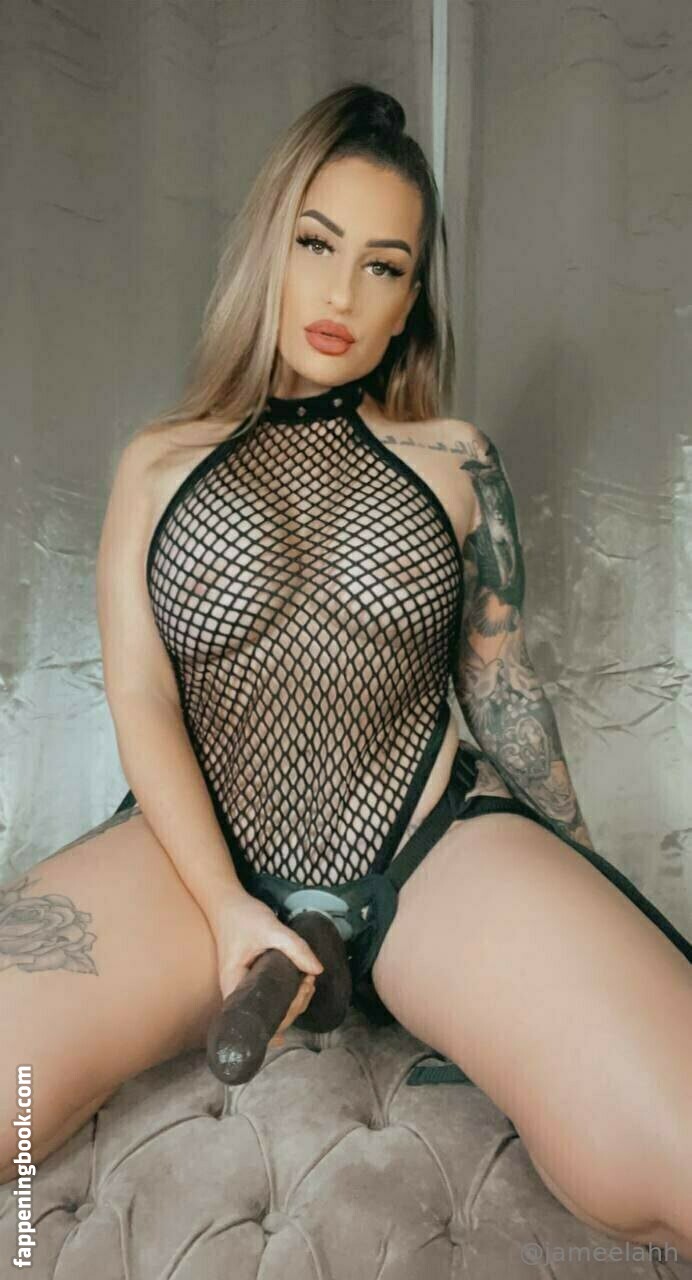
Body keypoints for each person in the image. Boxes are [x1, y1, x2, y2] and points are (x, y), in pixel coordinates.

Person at [1, 82, 691, 1259]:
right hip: (191, 864)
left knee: (673, 1142)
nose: (340, 293)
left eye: (383, 266)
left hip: (427, 855)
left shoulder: (454, 459)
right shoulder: (156, 464)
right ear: (268, 246)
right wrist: (226, 906)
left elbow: (501, 689)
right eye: (316, 244)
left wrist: (574, 873)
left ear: (409, 298)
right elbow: (141, 696)